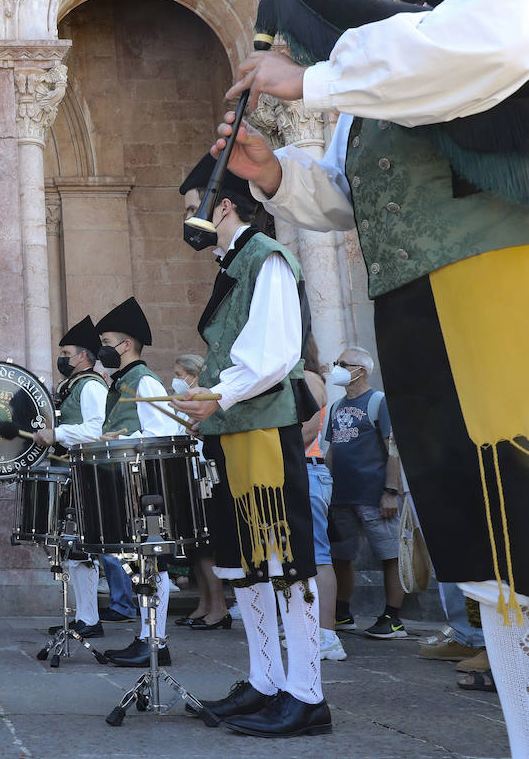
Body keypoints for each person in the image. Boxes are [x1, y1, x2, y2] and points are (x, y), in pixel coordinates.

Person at [212, 0, 528, 732]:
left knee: (527, 533)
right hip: (420, 316)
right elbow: (350, 196)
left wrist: (310, 75)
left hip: (502, 303)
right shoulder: (397, 45)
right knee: (494, 564)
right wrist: (273, 171)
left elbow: (483, 54)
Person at [173, 157, 326, 738]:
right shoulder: (234, 264)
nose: (190, 220)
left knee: (283, 561)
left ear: (224, 206)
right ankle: (266, 681)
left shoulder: (267, 259)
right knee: (248, 564)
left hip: (262, 428)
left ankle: (307, 692)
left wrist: (216, 395)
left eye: (194, 208)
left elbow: (275, 354)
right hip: (234, 430)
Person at [94, 297, 184, 668]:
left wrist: (116, 441)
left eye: (107, 342)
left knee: (154, 565)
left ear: (125, 345)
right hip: (130, 482)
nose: (102, 350)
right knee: (142, 566)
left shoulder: (144, 380)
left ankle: (156, 642)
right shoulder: (124, 381)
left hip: (145, 485)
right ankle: (145, 637)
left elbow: (162, 433)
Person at [32, 316, 107, 637]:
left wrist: (57, 433)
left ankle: (91, 620)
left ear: (82, 356)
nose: (61, 357)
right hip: (72, 473)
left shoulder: (91, 386)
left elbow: (96, 429)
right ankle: (85, 617)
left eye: (66, 352)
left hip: (86, 473)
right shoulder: (74, 385)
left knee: (83, 550)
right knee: (74, 551)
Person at [323, 347, 404, 640]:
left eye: (343, 364)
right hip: (342, 496)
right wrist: (326, 489)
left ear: (362, 370)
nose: (337, 368)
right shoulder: (336, 407)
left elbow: (393, 449)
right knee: (341, 556)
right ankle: (342, 613)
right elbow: (333, 451)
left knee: (390, 555)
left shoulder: (379, 401)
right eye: (337, 363)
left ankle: (393, 618)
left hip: (374, 495)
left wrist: (391, 491)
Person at [168, 352, 229, 631]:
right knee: (196, 549)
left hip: (205, 474)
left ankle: (219, 608)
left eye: (180, 375)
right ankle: (204, 604)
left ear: (194, 376)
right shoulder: (187, 402)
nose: (176, 380)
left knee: (208, 549)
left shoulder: (205, 400)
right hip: (190, 474)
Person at [299, 341, 345, 662]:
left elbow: (308, 430)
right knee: (305, 555)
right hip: (300, 472)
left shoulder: (309, 378)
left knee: (318, 554)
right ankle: (309, 627)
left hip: (308, 471)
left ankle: (327, 635)